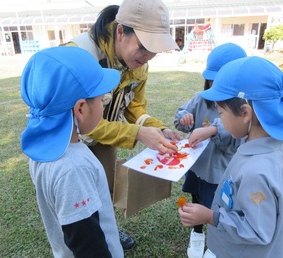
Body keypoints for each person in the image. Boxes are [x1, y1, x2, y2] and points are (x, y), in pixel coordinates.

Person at [62, 0, 183, 249]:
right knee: (78, 197)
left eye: (155, 50)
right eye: (145, 47)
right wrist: (138, 133)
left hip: (108, 136)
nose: (148, 57)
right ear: (121, 31)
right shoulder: (80, 56)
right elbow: (81, 121)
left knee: (105, 189)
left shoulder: (140, 65)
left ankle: (109, 233)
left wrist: (159, 129)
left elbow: (134, 107)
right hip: (69, 141)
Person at [178, 56, 283, 258]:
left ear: (245, 113)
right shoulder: (266, 143)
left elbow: (257, 230)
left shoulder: (256, 172)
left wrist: (211, 217)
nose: (220, 122)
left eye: (221, 113)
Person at [20, 46, 124, 258]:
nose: (104, 107)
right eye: (102, 100)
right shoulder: (73, 170)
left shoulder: (42, 150)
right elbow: (89, 247)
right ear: (81, 109)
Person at [174, 43, 247, 258]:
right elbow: (181, 115)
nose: (215, 87)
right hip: (196, 168)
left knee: (219, 210)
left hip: (220, 174)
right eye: (212, 81)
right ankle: (197, 235)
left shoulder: (243, 108)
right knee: (197, 199)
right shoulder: (201, 98)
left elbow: (238, 140)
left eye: (221, 83)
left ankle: (215, 245)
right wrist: (184, 120)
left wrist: (213, 130)